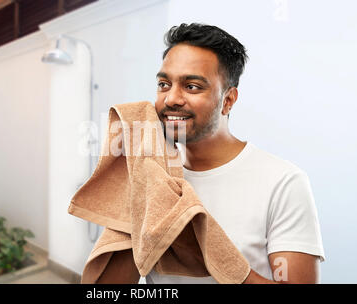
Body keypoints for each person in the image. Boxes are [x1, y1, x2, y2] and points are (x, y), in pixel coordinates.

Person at [97, 23, 325, 284]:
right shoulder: (152, 176)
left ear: (228, 100)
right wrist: (134, 191)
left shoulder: (283, 182)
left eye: (192, 86)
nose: (171, 98)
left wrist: (211, 252)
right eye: (163, 84)